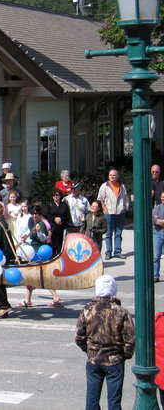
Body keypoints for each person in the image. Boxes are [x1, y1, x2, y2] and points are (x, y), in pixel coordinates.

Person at [75, 274, 134, 410]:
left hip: (94, 359)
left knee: (92, 399)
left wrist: (88, 350)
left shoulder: (87, 310)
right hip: (115, 360)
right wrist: (125, 355)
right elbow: (130, 340)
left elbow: (79, 337)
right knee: (114, 401)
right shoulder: (121, 312)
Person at [97, 169, 130, 260]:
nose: (112, 177)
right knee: (108, 234)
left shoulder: (122, 186)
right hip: (109, 213)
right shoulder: (104, 186)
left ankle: (118, 252)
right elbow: (100, 199)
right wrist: (106, 210)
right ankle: (108, 252)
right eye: (110, 175)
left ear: (117, 176)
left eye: (114, 175)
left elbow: (125, 198)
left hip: (120, 213)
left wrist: (125, 208)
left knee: (118, 234)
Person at [44, 188, 70, 255]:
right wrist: (54, 219)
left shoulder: (64, 205)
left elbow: (67, 216)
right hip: (52, 227)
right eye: (54, 195)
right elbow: (46, 214)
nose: (55, 196)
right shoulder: (49, 204)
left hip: (62, 228)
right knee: (53, 245)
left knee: (61, 245)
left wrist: (61, 219)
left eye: (57, 195)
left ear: (60, 195)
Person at [152, 191, 164, 283]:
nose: (163, 198)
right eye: (162, 196)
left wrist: (159, 220)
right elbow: (153, 219)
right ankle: (155, 276)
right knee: (156, 256)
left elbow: (157, 220)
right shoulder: (157, 207)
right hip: (158, 233)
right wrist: (157, 220)